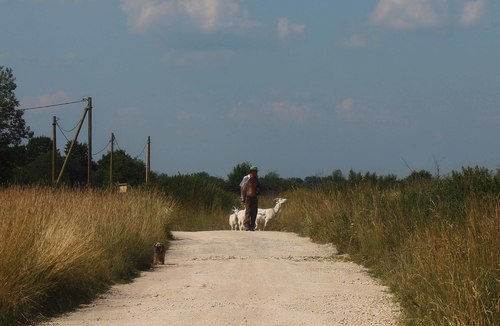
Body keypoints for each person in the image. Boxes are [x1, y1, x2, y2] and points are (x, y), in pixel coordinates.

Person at [240, 165, 259, 231]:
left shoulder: (256, 178)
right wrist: (242, 197)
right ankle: (247, 225)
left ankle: (252, 225)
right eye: (255, 171)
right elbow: (242, 187)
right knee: (248, 211)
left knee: (254, 211)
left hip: (254, 197)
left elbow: (257, 187)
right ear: (252, 171)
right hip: (248, 197)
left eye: (256, 171)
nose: (256, 173)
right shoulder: (246, 178)